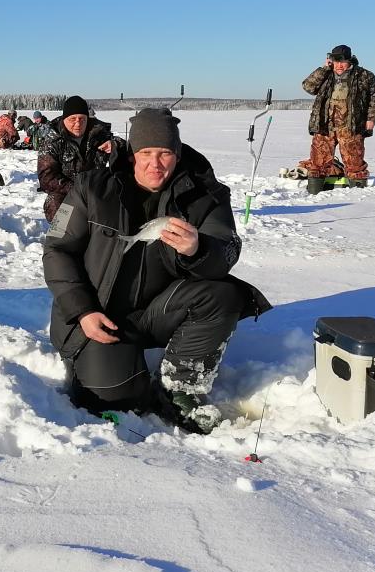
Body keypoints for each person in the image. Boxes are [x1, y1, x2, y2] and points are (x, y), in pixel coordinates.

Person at [43, 108, 271, 434]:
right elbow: (57, 250)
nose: (156, 163)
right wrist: (82, 311)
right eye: (146, 153)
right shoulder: (92, 187)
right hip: (96, 317)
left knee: (223, 294)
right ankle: (91, 364)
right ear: (133, 153)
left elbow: (227, 248)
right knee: (118, 398)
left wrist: (199, 249)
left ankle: (179, 386)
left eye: (165, 153)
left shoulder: (204, 194)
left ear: (177, 155)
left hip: (157, 312)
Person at [295, 44, 375, 189]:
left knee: (355, 164)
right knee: (318, 163)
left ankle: (359, 197)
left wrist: (371, 119)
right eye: (336, 62)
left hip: (351, 126)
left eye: (343, 62)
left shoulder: (364, 75)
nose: (339, 65)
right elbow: (308, 87)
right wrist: (324, 68)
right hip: (325, 125)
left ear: (350, 61)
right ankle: (315, 190)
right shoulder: (326, 74)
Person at [37, 96, 122, 221]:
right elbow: (46, 177)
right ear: (64, 119)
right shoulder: (53, 139)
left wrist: (116, 145)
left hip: (96, 190)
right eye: (72, 119)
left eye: (82, 119)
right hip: (67, 193)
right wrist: (77, 190)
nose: (78, 123)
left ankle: (105, 235)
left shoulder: (98, 134)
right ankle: (61, 237)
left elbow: (129, 150)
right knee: (54, 203)